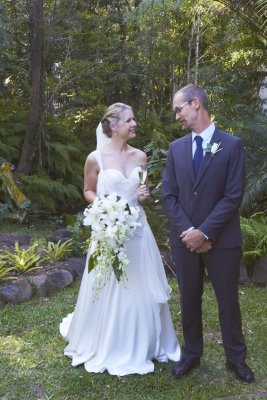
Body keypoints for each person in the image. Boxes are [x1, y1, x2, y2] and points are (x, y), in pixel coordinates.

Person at [60, 102, 180, 376]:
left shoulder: (141, 158)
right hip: (108, 231)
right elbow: (88, 190)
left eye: (133, 119)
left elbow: (141, 193)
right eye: (129, 120)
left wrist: (144, 197)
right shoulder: (95, 158)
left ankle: (145, 341)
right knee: (111, 283)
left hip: (137, 231)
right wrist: (104, 208)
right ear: (113, 126)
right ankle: (107, 341)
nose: (134, 123)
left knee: (139, 283)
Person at [162, 85, 255, 383]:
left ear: (196, 103)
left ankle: (236, 359)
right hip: (184, 241)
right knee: (189, 297)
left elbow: (233, 195)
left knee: (228, 300)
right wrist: (189, 231)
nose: (177, 116)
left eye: (179, 109)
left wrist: (205, 232)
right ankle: (191, 354)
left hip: (222, 241)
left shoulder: (232, 145)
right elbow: (169, 196)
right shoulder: (175, 149)